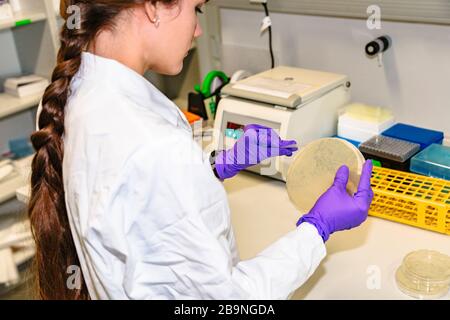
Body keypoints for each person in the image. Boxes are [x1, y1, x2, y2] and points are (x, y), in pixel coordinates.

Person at [28, 0, 374, 300]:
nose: (196, 30)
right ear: (154, 6)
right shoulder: (152, 145)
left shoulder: (78, 93)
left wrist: (211, 167)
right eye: (196, 9)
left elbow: (129, 206)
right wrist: (317, 227)